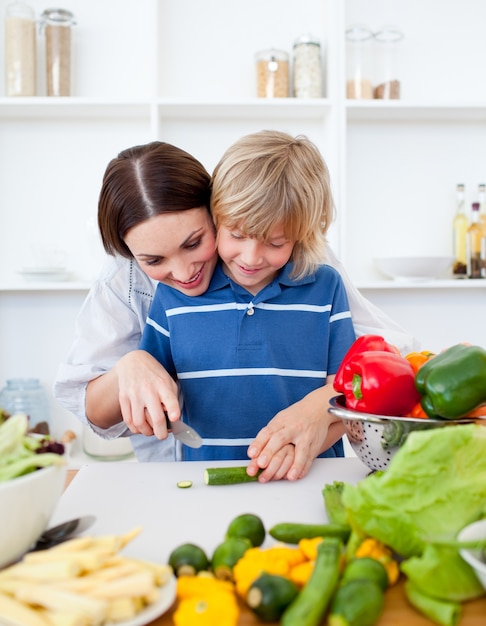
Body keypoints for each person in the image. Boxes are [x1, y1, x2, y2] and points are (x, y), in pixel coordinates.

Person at [54, 138, 417, 475]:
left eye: (194, 243)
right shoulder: (128, 280)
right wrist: (129, 367)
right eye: (153, 260)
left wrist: (321, 408)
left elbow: (382, 364)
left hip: (303, 474)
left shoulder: (311, 268)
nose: (183, 273)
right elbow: (93, 410)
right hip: (181, 477)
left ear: (215, 210)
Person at [135, 131, 362, 479]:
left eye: (275, 242)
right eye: (237, 235)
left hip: (311, 478)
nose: (251, 258)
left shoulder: (325, 287)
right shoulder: (175, 294)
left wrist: (303, 445)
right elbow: (152, 385)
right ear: (215, 217)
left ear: (302, 234)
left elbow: (345, 394)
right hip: (207, 479)